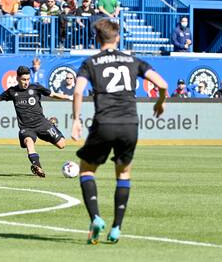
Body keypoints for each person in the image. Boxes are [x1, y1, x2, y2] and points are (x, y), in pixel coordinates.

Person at [71, 18, 168, 244]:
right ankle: (116, 228)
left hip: (104, 123)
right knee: (123, 173)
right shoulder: (133, 60)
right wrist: (160, 103)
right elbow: (162, 85)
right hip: (129, 124)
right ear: (118, 37)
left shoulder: (90, 62)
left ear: (97, 39)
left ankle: (95, 217)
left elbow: (78, 91)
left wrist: (76, 119)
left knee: (86, 170)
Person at [0, 65, 71, 177]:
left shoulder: (36, 87)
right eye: (24, 79)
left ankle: (51, 125)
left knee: (62, 144)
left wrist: (69, 97)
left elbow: (53, 94)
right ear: (17, 78)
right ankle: (38, 167)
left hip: (42, 123)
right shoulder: (12, 91)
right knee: (29, 142)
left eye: (28, 79)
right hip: (26, 128)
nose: (26, 82)